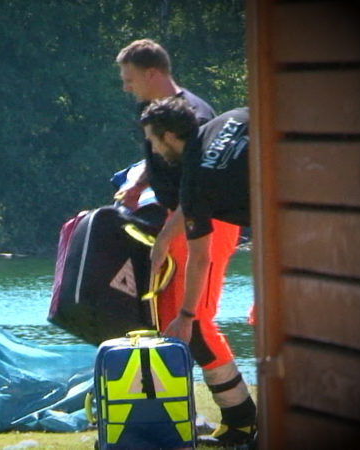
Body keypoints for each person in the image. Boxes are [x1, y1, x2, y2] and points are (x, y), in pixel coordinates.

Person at [114, 39, 254, 446]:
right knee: (175, 314)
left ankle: (242, 418)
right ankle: (201, 412)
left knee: (196, 320)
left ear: (152, 73)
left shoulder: (195, 115)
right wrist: (140, 182)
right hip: (186, 216)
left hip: (208, 221)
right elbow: (164, 165)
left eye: (129, 79)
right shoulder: (158, 117)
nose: (126, 87)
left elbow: (197, 193)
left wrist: (164, 238)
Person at [140, 97, 256, 445]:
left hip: (301, 226)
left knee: (201, 331)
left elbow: (200, 256)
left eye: (154, 142)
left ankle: (243, 423)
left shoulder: (193, 183)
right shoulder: (231, 119)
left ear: (171, 136)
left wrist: (187, 315)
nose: (155, 151)